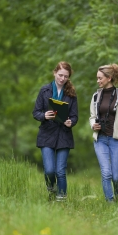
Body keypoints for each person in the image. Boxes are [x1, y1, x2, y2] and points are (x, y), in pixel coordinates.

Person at [33, 61, 78, 201]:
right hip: (46, 134)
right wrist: (44, 116)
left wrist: (71, 122)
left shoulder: (71, 94)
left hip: (64, 135)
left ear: (68, 77)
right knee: (50, 170)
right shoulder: (44, 91)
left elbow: (75, 116)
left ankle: (62, 199)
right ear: (54, 73)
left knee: (60, 171)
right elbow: (36, 112)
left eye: (65, 76)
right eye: (60, 75)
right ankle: (51, 188)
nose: (62, 78)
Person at [89, 63, 118, 202]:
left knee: (116, 177)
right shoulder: (96, 96)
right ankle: (110, 203)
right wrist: (93, 124)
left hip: (116, 140)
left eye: (100, 78)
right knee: (106, 174)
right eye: (97, 78)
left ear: (109, 78)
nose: (98, 81)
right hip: (100, 140)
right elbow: (92, 116)